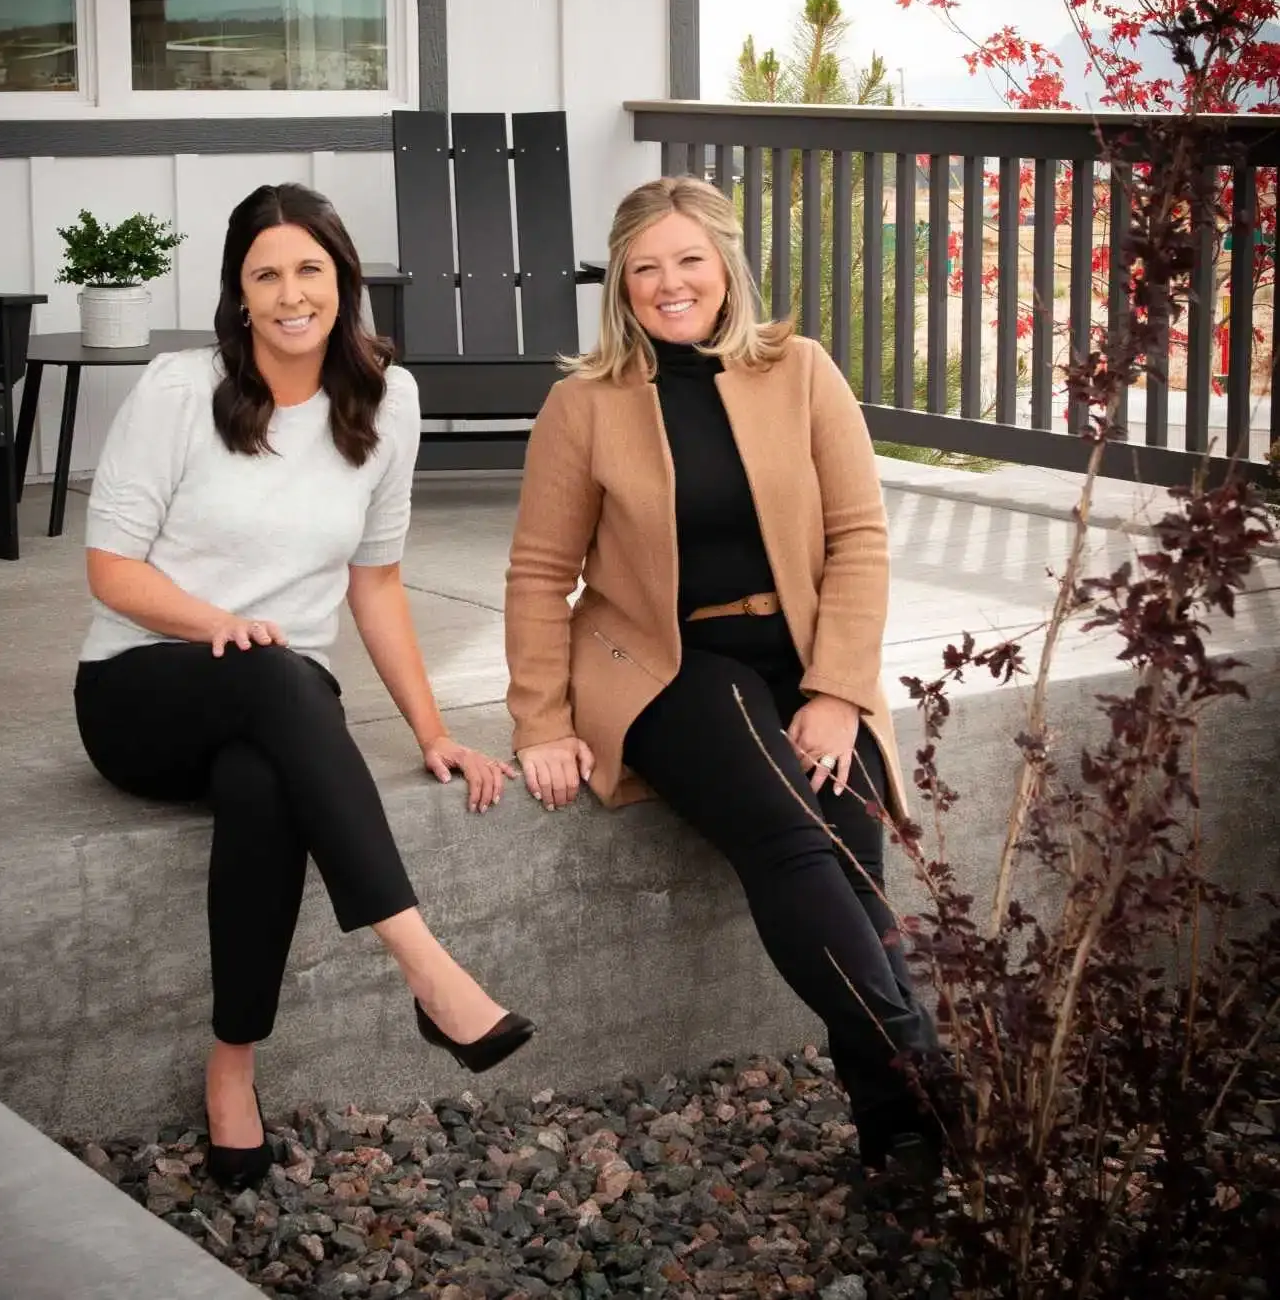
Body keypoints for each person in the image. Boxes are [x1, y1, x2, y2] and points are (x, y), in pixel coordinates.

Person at [74, 183, 533, 1190]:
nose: (291, 294)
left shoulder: (388, 401)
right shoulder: (176, 392)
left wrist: (432, 728)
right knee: (283, 676)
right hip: (142, 688)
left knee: (264, 776)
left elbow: (376, 585)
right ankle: (427, 967)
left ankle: (232, 1071)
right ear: (239, 296)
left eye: (310, 270)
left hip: (276, 705)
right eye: (266, 274)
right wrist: (217, 625)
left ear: (343, 281)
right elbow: (112, 570)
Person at [503, 175, 941, 1180]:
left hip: (803, 658)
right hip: (668, 669)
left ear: (727, 265)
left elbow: (860, 539)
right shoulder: (584, 405)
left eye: (689, 260)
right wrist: (539, 720)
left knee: (856, 855)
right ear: (620, 280)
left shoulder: (802, 372)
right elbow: (538, 573)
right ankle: (928, 1066)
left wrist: (835, 691)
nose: (670, 284)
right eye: (646, 267)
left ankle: (903, 1131)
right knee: (795, 839)